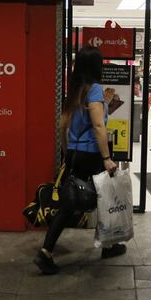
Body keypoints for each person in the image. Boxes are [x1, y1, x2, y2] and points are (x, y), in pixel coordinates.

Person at [33, 47, 124, 275]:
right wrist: (106, 158)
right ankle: (109, 245)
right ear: (96, 66)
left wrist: (68, 152)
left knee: (69, 202)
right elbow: (98, 126)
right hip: (93, 153)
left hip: (75, 152)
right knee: (105, 197)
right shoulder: (93, 90)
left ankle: (46, 251)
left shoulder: (74, 91)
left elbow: (62, 125)